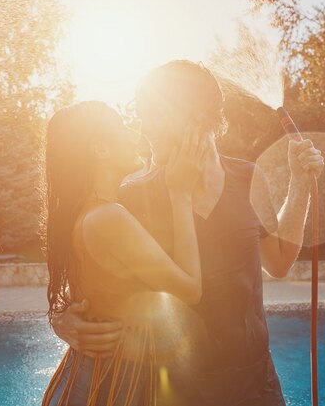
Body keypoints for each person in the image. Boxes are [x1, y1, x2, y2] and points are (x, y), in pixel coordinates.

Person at [50, 60, 325, 406]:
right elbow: (87, 268)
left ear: (196, 116)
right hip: (174, 389)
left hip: (257, 384)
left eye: (153, 114)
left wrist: (299, 184)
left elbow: (281, 260)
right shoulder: (133, 194)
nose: (144, 128)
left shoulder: (248, 178)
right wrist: (60, 317)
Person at [42, 100, 210, 406]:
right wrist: (181, 194)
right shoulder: (108, 218)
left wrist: (60, 317)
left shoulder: (87, 212)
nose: (134, 134)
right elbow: (190, 289)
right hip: (106, 387)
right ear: (101, 149)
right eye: (123, 128)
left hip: (91, 380)